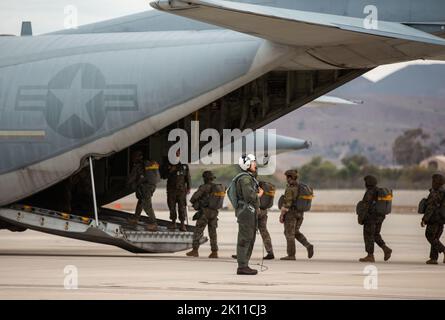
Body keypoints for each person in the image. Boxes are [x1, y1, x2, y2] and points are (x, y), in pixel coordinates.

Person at [235, 154, 263, 275]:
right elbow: (249, 196)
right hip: (246, 212)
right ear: (247, 164)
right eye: (253, 162)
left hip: (249, 212)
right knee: (245, 239)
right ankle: (242, 266)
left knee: (250, 238)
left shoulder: (248, 177)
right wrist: (259, 195)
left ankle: (244, 264)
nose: (255, 164)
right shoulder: (245, 179)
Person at [279, 170, 314, 260]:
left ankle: (291, 255)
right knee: (295, 232)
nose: (286, 179)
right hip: (300, 214)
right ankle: (308, 245)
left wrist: (282, 215)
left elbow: (287, 204)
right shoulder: (301, 187)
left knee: (289, 234)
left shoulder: (290, 188)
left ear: (290, 177)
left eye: (287, 177)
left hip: (291, 214)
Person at [358, 175, 392, 263]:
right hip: (379, 217)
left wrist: (361, 218)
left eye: (366, 182)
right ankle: (386, 249)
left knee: (369, 235)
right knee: (375, 234)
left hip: (371, 218)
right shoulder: (378, 191)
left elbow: (366, 206)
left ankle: (370, 256)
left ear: (368, 183)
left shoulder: (370, 192)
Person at [186, 171, 220, 258]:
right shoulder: (217, 187)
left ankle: (195, 250)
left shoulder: (204, 187)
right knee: (213, 232)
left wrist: (197, 202)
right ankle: (214, 252)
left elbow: (194, 198)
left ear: (205, 178)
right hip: (214, 212)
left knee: (198, 231)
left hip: (205, 212)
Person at [127, 150, 159, 231]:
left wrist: (127, 183)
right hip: (151, 186)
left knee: (147, 205)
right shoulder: (148, 163)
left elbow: (131, 179)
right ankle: (136, 218)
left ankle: (153, 223)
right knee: (141, 201)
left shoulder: (138, 165)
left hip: (145, 187)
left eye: (133, 157)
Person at [164, 149, 191, 231]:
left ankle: (182, 225)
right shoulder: (168, 164)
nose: (177, 154)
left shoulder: (184, 166)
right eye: (176, 153)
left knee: (182, 207)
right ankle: (173, 223)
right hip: (171, 190)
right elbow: (164, 176)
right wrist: (170, 171)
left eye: (179, 153)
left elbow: (188, 178)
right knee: (171, 207)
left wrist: (189, 188)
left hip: (181, 191)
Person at [421, 173, 445, 265]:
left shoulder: (436, 192)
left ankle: (443, 250)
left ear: (436, 182)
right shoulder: (443, 191)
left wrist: (424, 219)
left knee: (430, 236)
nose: (432, 183)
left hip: (434, 219)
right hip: (442, 219)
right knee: (435, 238)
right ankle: (433, 258)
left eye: (433, 181)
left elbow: (430, 208)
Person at [257, 181, 275, 260]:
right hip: (264, 211)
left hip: (256, 211)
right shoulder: (267, 188)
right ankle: (270, 252)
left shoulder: (256, 186)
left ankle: (243, 253)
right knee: (264, 232)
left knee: (248, 232)